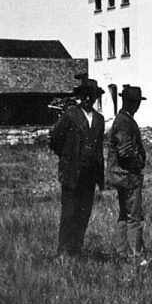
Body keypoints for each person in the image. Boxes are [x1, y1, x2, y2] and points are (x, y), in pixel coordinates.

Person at [49, 77, 105, 256]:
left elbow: (98, 147)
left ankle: (76, 249)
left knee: (84, 213)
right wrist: (68, 157)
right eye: (85, 95)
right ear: (80, 97)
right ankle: (63, 252)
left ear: (96, 97)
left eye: (92, 95)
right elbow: (55, 140)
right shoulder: (70, 115)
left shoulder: (99, 119)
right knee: (69, 213)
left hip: (90, 175)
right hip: (72, 174)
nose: (88, 99)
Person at [105, 86, 148, 263]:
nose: (137, 106)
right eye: (136, 103)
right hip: (128, 176)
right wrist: (138, 165)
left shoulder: (123, 119)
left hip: (122, 176)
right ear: (131, 103)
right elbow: (125, 152)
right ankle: (135, 257)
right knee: (134, 217)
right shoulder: (124, 122)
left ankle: (122, 254)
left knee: (125, 215)